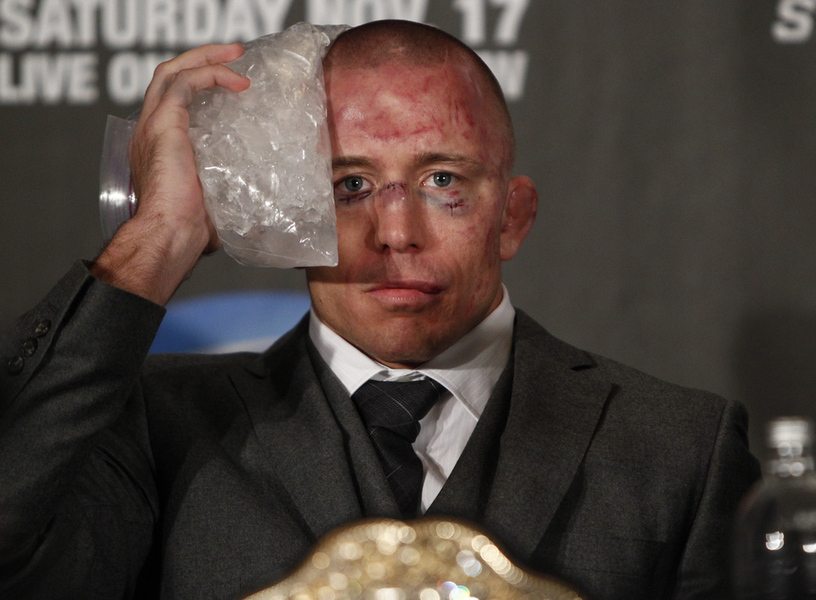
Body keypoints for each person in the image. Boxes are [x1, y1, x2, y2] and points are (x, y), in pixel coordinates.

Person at [0, 20, 759, 599]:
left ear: (513, 216)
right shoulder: (158, 426)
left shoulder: (680, 448)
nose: (395, 233)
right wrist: (159, 234)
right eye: (349, 186)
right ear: (287, 211)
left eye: (442, 181)